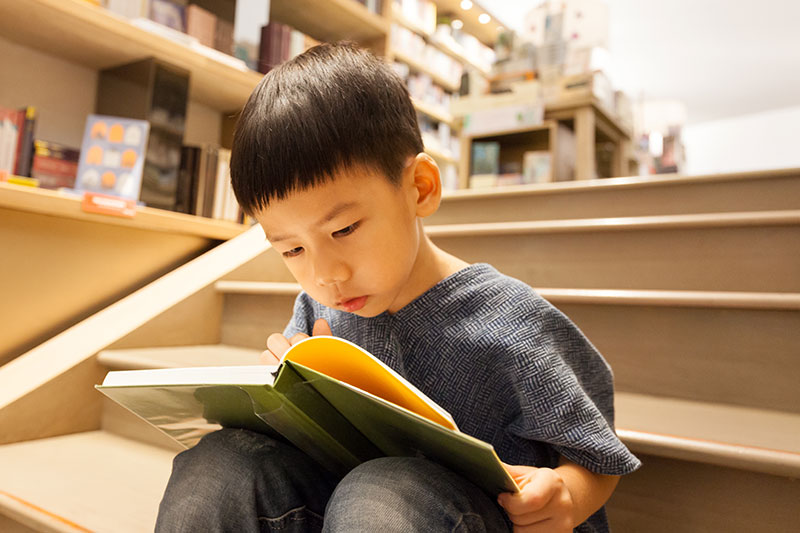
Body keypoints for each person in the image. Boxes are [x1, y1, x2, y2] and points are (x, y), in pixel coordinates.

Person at [156, 42, 640, 533]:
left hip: (455, 517)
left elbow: (597, 456)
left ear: (421, 188)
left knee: (382, 495)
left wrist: (568, 497)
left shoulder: (512, 323)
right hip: (343, 508)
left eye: (343, 230)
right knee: (217, 466)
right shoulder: (317, 310)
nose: (326, 274)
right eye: (292, 250)